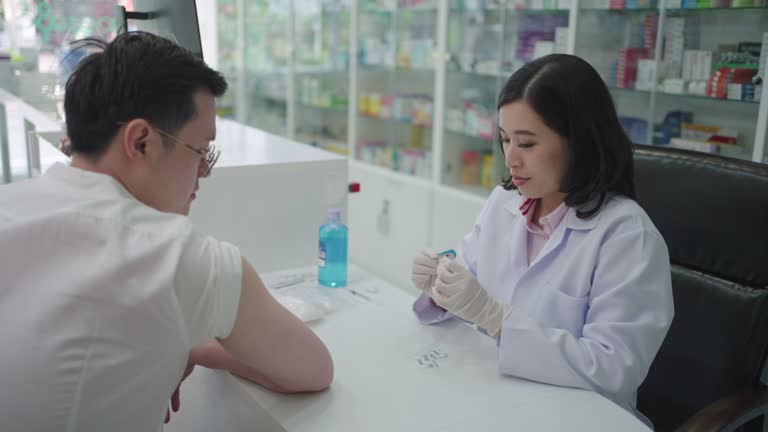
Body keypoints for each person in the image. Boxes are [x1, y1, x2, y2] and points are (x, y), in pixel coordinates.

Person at [0, 32, 333, 432]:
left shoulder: (11, 205)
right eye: (201, 152)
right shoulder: (176, 256)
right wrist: (196, 345)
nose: (204, 173)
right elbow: (314, 369)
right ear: (141, 142)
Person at [410, 54, 673, 427]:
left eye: (527, 144)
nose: (510, 159)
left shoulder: (627, 236)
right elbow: (469, 283)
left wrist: (497, 320)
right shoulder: (504, 202)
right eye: (504, 140)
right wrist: (440, 287)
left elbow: (614, 369)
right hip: (497, 399)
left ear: (579, 141)